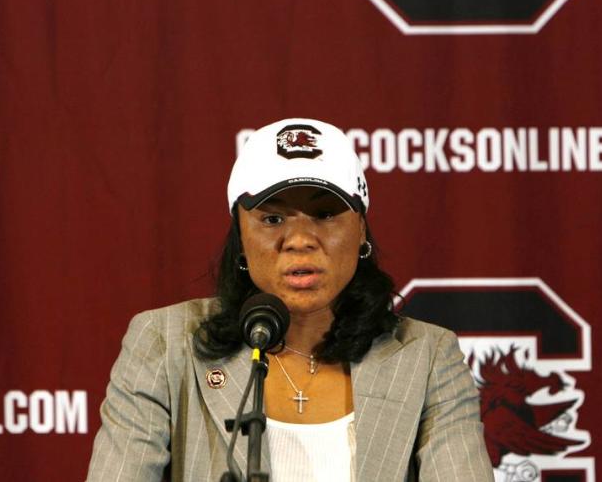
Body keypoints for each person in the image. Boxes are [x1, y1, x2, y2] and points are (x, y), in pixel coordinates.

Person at [87, 119, 493, 482]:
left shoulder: (427, 357)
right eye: (273, 219)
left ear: (361, 231)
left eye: (326, 215)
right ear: (241, 240)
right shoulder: (165, 342)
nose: (300, 240)